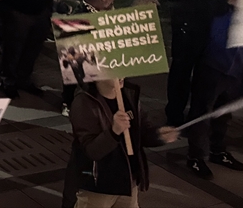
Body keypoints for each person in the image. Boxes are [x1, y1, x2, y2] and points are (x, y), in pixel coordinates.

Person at [68, 78, 178, 208]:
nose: (121, 75)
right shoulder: (84, 102)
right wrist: (114, 132)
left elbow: (140, 131)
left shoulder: (128, 94)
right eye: (114, 69)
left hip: (127, 182)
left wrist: (158, 135)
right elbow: (92, 150)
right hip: (98, 187)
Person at [185, 0, 243, 180]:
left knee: (224, 113)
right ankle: (195, 157)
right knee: (202, 114)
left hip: (234, 72)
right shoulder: (217, 12)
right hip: (212, 69)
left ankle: (218, 150)